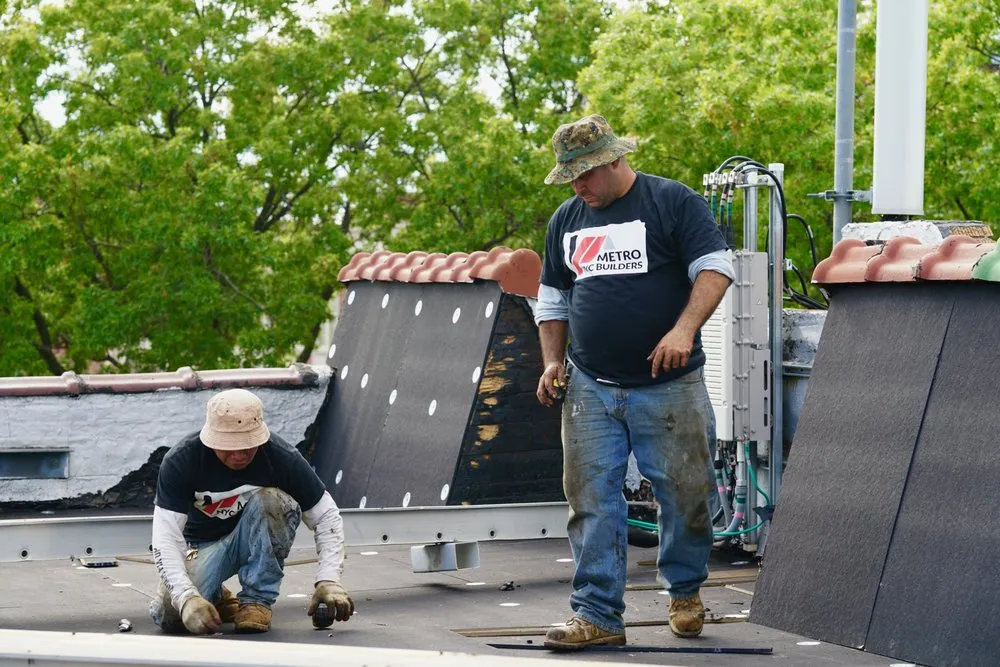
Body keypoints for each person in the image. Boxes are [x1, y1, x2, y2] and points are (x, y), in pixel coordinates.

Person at [534, 114, 734, 650]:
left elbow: (716, 267)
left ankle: (685, 592)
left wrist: (683, 330)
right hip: (589, 386)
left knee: (686, 493)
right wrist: (552, 362)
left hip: (669, 384)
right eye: (571, 178)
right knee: (591, 498)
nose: (579, 186)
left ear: (616, 161)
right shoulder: (566, 219)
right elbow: (552, 300)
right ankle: (597, 614)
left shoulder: (672, 202)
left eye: (586, 176)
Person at [149, 388, 355, 634]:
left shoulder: (281, 456)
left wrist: (328, 580)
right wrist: (186, 598)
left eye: (247, 446)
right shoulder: (181, 460)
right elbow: (165, 537)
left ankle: (257, 600)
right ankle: (216, 595)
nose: (239, 455)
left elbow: (325, 516)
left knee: (274, 500)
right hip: (202, 546)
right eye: (229, 447)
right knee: (171, 617)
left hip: (253, 540)